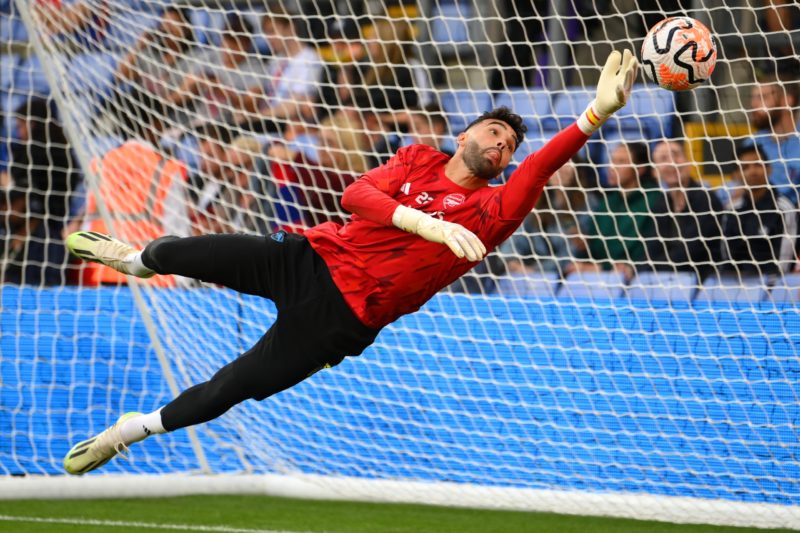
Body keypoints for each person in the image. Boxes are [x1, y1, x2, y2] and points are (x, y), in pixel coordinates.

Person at [61, 50, 639, 475]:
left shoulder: (495, 207)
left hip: (342, 319)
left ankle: (129, 431)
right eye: (493, 132)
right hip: (309, 258)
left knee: (229, 388)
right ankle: (135, 260)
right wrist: (424, 221)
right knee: (181, 251)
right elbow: (354, 197)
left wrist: (594, 114)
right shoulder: (416, 157)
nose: (501, 146)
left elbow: (538, 169)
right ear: (465, 132)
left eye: (508, 146)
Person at [566, 141, 664, 279]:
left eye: (621, 162)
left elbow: (648, 251)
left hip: (639, 279)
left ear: (640, 169)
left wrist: (599, 268)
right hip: (601, 279)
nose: (611, 167)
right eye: (612, 160)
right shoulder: (607, 203)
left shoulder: (655, 200)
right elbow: (595, 249)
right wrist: (584, 246)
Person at [643, 140, 724, 281]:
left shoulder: (706, 200)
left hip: (705, 283)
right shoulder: (660, 204)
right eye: (664, 159)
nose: (672, 163)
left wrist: (651, 267)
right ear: (655, 171)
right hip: (668, 281)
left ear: (688, 161)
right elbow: (651, 249)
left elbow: (690, 252)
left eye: (676, 155)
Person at [719, 142, 798, 277]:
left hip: (775, 289)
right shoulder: (732, 210)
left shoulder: (784, 209)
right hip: (737, 287)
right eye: (745, 167)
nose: (752, 171)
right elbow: (727, 258)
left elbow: (784, 262)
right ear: (737, 174)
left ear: (769, 169)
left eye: (757, 165)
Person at [748, 72, 800, 203]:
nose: (754, 104)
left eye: (762, 97)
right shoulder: (751, 144)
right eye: (753, 98)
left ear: (787, 100)